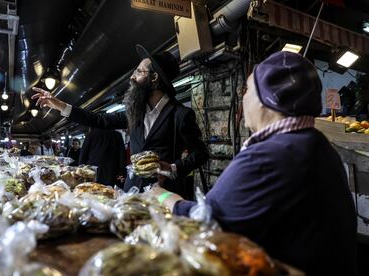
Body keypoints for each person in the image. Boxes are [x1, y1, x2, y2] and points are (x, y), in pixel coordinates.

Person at [148, 51, 357, 276]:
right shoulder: (318, 144)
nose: (242, 97)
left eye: (248, 89)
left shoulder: (271, 155)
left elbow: (206, 220)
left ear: (268, 98)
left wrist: (162, 196)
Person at [32, 45, 209, 199]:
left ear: (154, 78)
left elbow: (201, 153)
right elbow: (99, 120)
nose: (132, 77)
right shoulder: (135, 113)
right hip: (131, 192)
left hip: (163, 194)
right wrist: (60, 105)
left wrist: (172, 168)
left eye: (139, 72)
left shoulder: (180, 114)